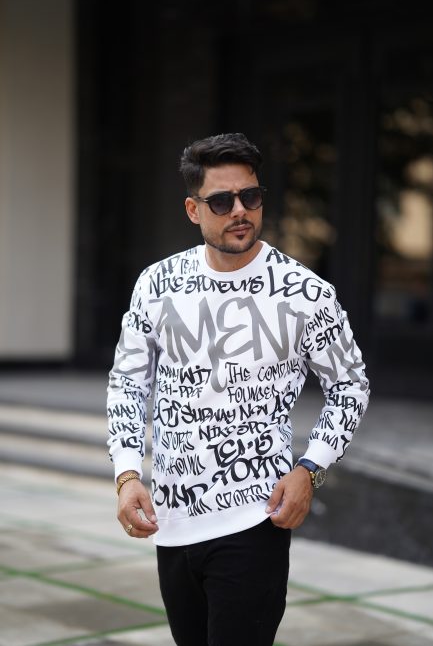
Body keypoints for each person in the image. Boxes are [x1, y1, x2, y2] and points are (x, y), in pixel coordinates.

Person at [107, 132, 370, 646]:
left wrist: (310, 469)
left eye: (250, 196)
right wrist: (127, 474)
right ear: (193, 209)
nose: (240, 211)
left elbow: (349, 383)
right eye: (221, 202)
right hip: (173, 521)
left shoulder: (304, 293)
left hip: (255, 520)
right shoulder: (157, 284)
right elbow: (127, 381)